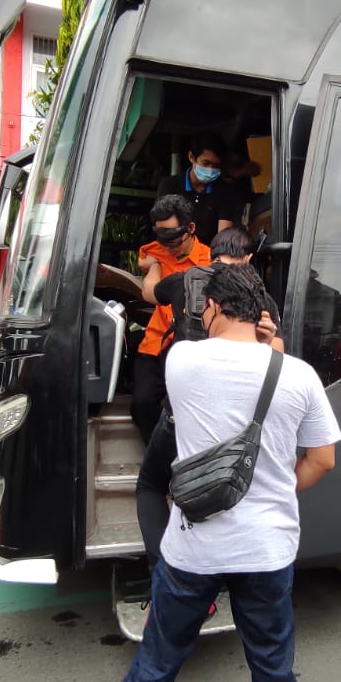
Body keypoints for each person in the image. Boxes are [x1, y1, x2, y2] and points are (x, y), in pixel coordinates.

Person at [81, 263, 341, 682]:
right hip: (267, 551)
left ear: (214, 310)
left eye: (205, 309)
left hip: (192, 552)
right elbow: (322, 459)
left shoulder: (182, 362)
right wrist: (274, 488)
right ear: (262, 315)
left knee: (153, 669)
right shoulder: (296, 375)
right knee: (274, 672)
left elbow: (203, 368)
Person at [135, 227, 283, 569]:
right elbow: (278, 353)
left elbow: (148, 294)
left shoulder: (183, 280)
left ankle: (165, 567)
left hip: (182, 413)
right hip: (237, 416)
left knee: (150, 485)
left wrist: (155, 265)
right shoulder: (259, 295)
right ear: (248, 258)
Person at [130, 195, 210, 443]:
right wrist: (154, 265)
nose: (168, 246)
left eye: (173, 239)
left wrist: (154, 270)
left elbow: (151, 291)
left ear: (190, 228)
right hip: (155, 343)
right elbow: (144, 258)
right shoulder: (156, 250)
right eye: (162, 238)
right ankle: (157, 457)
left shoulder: (207, 260)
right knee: (141, 404)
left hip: (189, 348)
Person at [154, 131, 244, 245]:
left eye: (216, 166)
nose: (210, 169)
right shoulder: (170, 187)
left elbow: (223, 239)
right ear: (192, 157)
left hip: (209, 256)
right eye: (205, 163)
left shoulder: (225, 192)